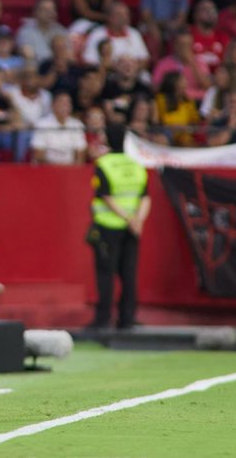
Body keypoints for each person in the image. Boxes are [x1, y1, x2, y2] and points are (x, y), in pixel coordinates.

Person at [87, 124, 150, 330]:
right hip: (132, 229)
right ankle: (127, 318)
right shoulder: (136, 164)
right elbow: (145, 197)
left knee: (106, 274)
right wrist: (136, 221)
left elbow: (106, 197)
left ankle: (103, 319)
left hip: (108, 226)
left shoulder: (104, 164)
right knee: (128, 274)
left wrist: (126, 218)